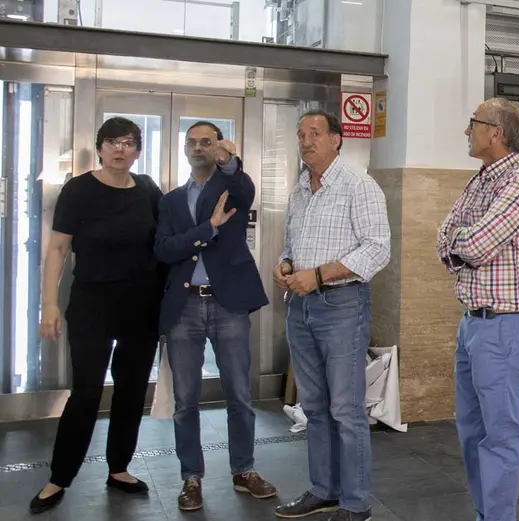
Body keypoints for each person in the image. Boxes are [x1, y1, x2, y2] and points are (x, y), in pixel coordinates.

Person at [31, 117, 165, 514]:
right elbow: (58, 249)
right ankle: (59, 477)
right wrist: (49, 304)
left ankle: (119, 467)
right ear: (100, 148)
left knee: (131, 389)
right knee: (87, 393)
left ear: (138, 150)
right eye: (112, 142)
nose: (119, 150)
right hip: (91, 304)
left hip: (141, 306)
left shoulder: (147, 190)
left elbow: (166, 240)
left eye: (128, 143)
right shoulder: (79, 190)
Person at [272, 110, 390, 521]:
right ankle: (324, 490)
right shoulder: (300, 188)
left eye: (315, 134)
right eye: (301, 134)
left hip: (342, 306)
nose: (306, 141)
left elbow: (377, 250)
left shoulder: (359, 185)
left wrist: (319, 276)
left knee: (346, 409)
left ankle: (356, 504)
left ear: (337, 140)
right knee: (315, 407)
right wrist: (285, 266)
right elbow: (292, 246)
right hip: (300, 307)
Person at [436, 98, 519, 521]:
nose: (467, 131)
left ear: (496, 133)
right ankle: (487, 515)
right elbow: (444, 237)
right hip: (474, 326)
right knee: (470, 433)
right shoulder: (481, 180)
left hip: (506, 327)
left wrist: (461, 243)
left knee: (499, 436)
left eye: (473, 124)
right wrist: (460, 243)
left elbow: (476, 245)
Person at [154, 121, 275, 511]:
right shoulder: (171, 200)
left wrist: (231, 163)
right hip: (184, 306)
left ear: (218, 147)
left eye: (206, 142)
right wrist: (208, 228)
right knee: (185, 401)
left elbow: (245, 189)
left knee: (239, 394)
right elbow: (164, 249)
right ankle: (191, 477)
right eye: (192, 142)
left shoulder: (231, 188)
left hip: (228, 305)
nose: (198, 148)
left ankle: (244, 471)